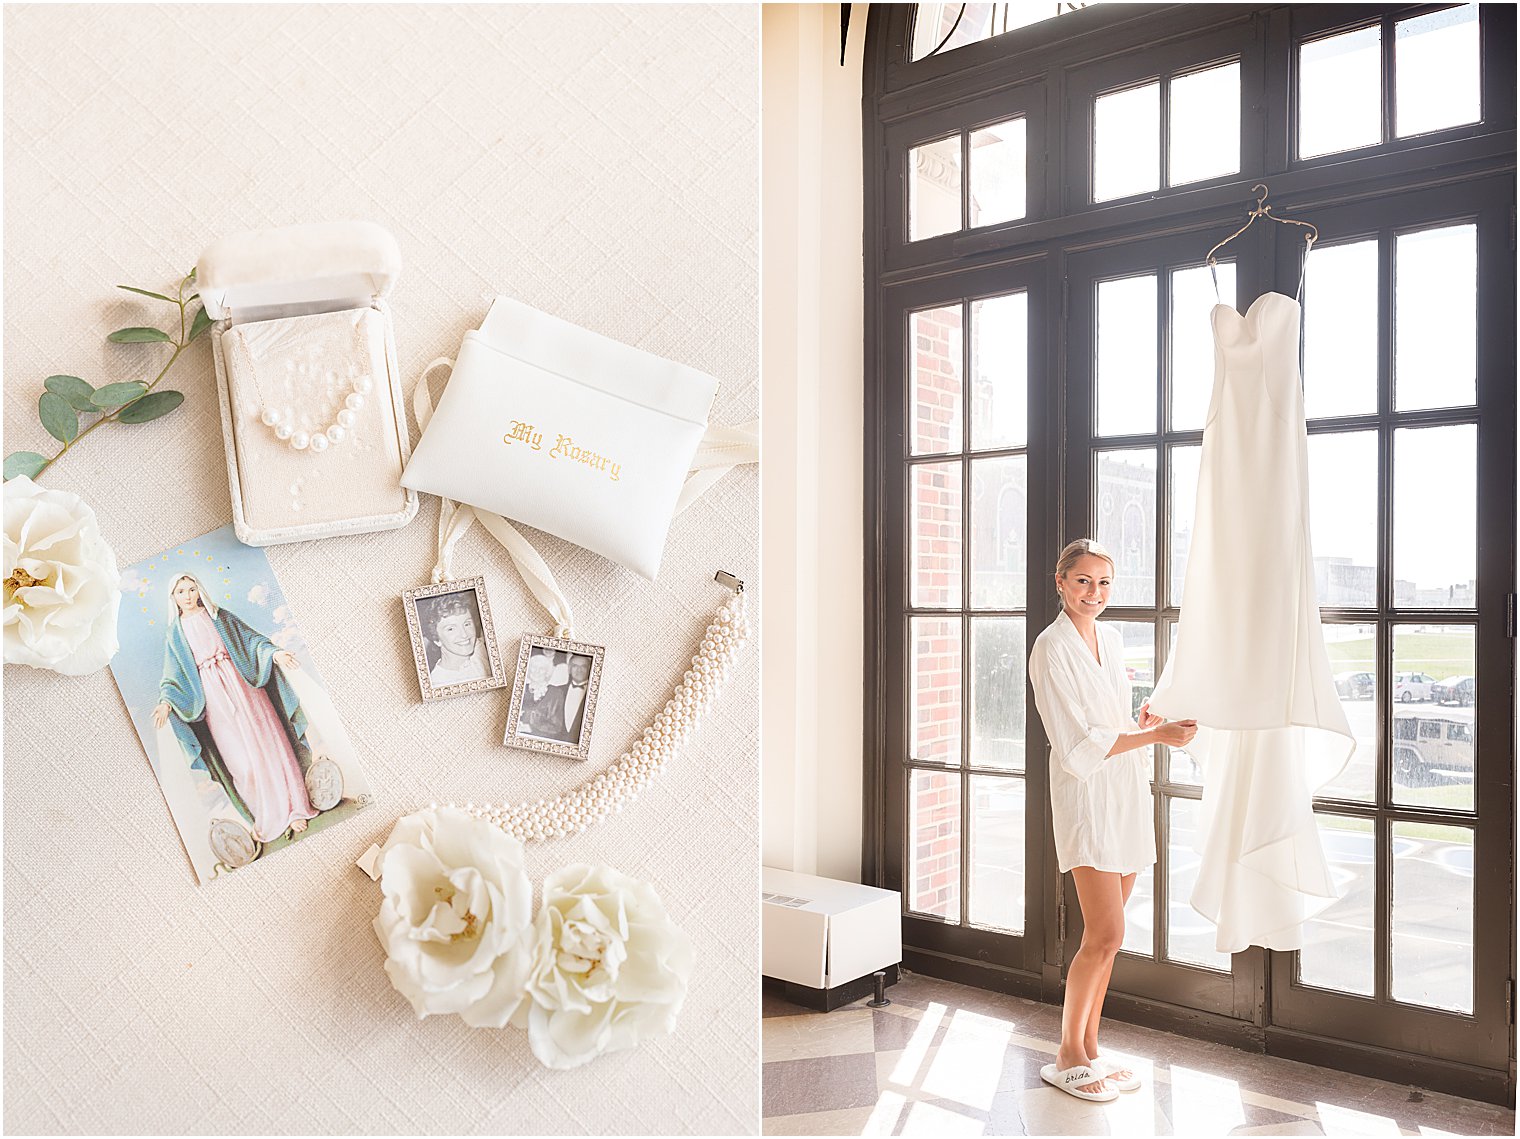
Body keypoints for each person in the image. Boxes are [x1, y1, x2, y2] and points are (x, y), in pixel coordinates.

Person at [1027, 538, 1198, 1103]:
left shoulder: (1113, 637)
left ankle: (1092, 1047)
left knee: (1110, 938)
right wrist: (1153, 736)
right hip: (1085, 795)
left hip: (1123, 792)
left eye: (1103, 583)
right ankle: (1066, 1053)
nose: (1093, 593)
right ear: (1060, 582)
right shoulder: (1050, 648)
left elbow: (1109, 718)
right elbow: (1076, 740)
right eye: (1082, 581)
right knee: (1105, 933)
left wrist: (1144, 718)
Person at [152, 573, 318, 844]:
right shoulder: (175, 633)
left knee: (268, 743)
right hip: (213, 696)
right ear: (174, 597)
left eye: (192, 589)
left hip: (243, 685)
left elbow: (251, 640)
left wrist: (275, 653)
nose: (188, 595)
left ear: (199, 589)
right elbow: (173, 675)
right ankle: (267, 815)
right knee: (240, 761)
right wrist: (165, 702)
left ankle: (294, 807)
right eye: (181, 591)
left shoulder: (218, 616)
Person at [425, 594, 489, 687]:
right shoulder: (438, 682)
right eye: (451, 629)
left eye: (467, 624)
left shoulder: (480, 650)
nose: (464, 634)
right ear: (436, 639)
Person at [518, 651, 567, 740]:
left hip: (542, 740)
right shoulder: (521, 689)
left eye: (541, 668)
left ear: (547, 672)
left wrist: (531, 729)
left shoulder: (556, 693)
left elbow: (556, 727)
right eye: (534, 667)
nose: (537, 671)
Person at [561, 655, 592, 742]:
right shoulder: (557, 691)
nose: (579, 670)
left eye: (583, 666)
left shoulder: (593, 695)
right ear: (569, 669)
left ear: (589, 669)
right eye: (575, 666)